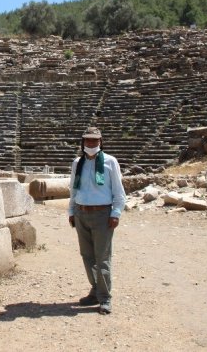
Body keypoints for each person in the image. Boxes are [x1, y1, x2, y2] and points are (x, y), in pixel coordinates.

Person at [68, 126, 126, 314]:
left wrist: (115, 213)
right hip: (80, 212)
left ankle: (105, 298)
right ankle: (95, 290)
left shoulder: (110, 162)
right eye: (88, 140)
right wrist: (71, 211)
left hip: (102, 214)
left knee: (102, 257)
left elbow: (118, 191)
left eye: (95, 140)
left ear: (101, 141)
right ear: (83, 142)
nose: (91, 144)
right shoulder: (78, 162)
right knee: (87, 256)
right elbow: (73, 190)